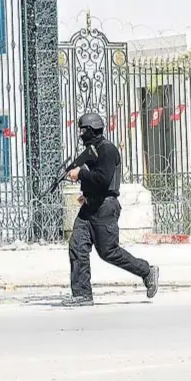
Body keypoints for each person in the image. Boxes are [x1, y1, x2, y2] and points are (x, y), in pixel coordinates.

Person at [63, 112, 159, 306]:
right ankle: (82, 294)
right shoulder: (93, 150)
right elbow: (96, 180)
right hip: (90, 206)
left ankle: (147, 271)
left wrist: (80, 174)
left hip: (105, 208)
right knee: (77, 246)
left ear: (91, 130)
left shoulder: (107, 150)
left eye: (83, 130)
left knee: (109, 252)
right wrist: (87, 192)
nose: (81, 134)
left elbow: (103, 178)